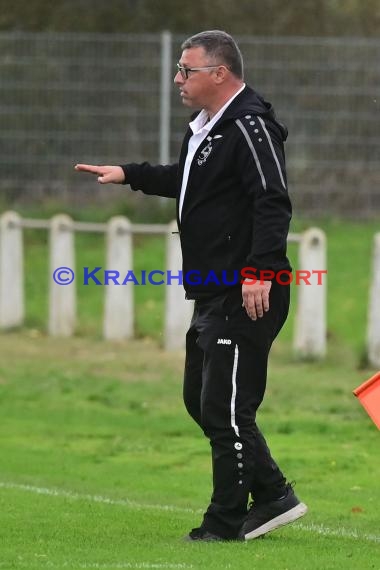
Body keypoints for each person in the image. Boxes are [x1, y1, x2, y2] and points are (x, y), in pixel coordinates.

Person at [75, 30, 307, 542]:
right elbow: (189, 179)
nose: (178, 79)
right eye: (179, 69)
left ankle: (224, 524)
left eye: (187, 70)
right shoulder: (206, 127)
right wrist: (129, 174)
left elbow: (274, 200)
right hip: (211, 290)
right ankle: (272, 494)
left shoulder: (250, 126)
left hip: (246, 288)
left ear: (219, 74)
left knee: (226, 409)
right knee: (200, 401)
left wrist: (260, 271)